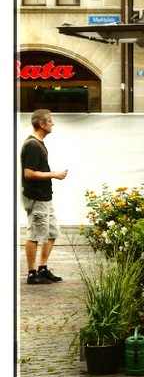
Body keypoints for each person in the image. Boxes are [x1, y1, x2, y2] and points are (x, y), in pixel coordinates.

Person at [21, 109, 68, 285]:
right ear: (42, 124)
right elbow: (29, 173)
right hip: (36, 197)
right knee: (34, 234)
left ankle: (42, 268)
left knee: (51, 231)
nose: (52, 124)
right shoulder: (33, 145)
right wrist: (53, 174)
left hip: (44, 196)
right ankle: (32, 273)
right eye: (50, 121)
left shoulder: (38, 143)